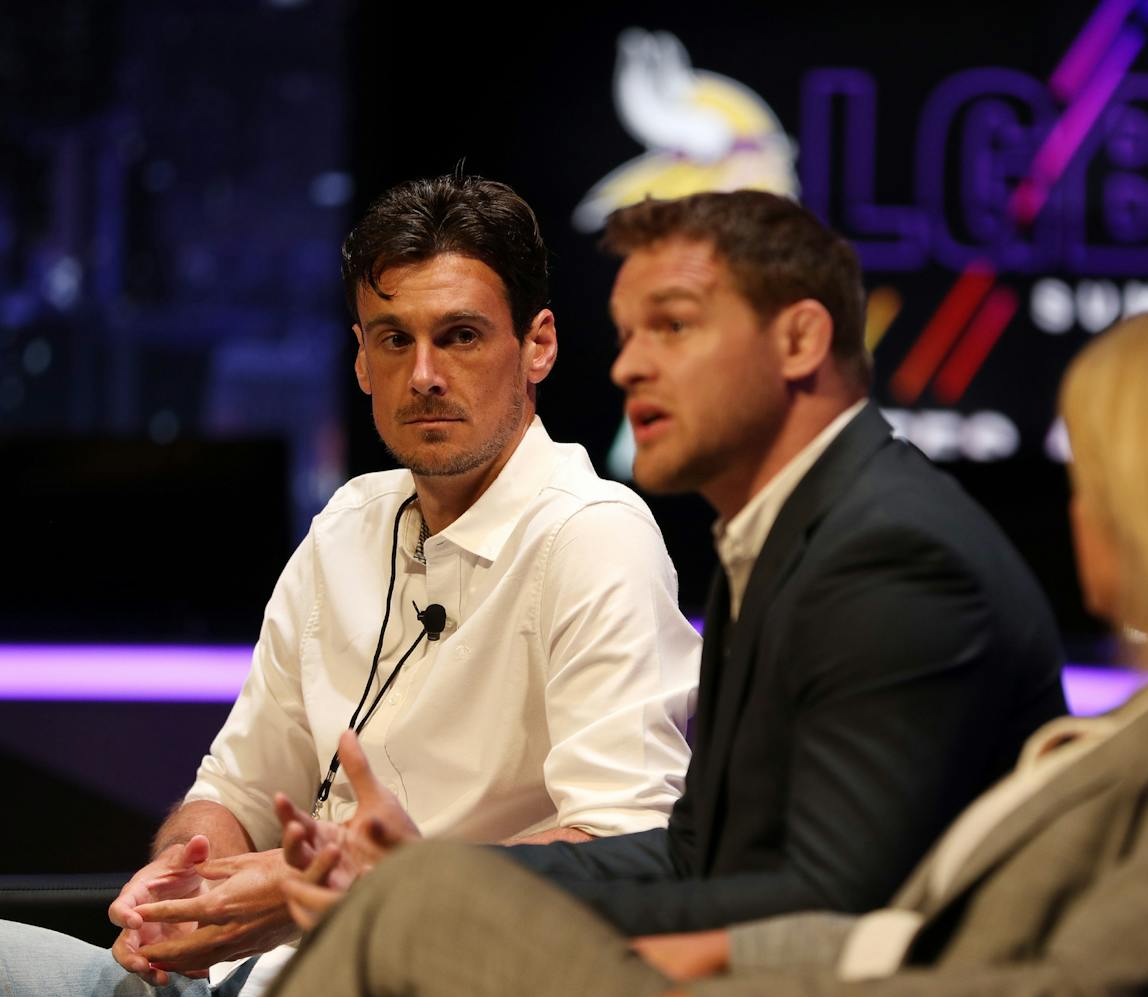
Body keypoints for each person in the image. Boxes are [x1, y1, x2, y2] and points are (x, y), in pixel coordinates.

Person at [265, 300, 1148, 997]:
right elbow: (915, 929)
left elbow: (1079, 988)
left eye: (1102, 475)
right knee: (412, 902)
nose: (1079, 507)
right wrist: (709, 953)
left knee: (412, 911)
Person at [270, 188, 1065, 957]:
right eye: (627, 334)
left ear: (799, 340)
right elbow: (691, 857)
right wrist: (429, 876)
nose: (629, 368)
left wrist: (436, 904)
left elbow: (827, 906)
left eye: (673, 327)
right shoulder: (784, 537)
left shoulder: (893, 555)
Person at [0, 175, 699, 997]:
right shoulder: (348, 522)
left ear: (538, 344)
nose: (425, 374)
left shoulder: (593, 535)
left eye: (462, 335)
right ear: (361, 359)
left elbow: (627, 855)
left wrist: (351, 889)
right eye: (394, 339)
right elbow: (233, 790)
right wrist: (183, 884)